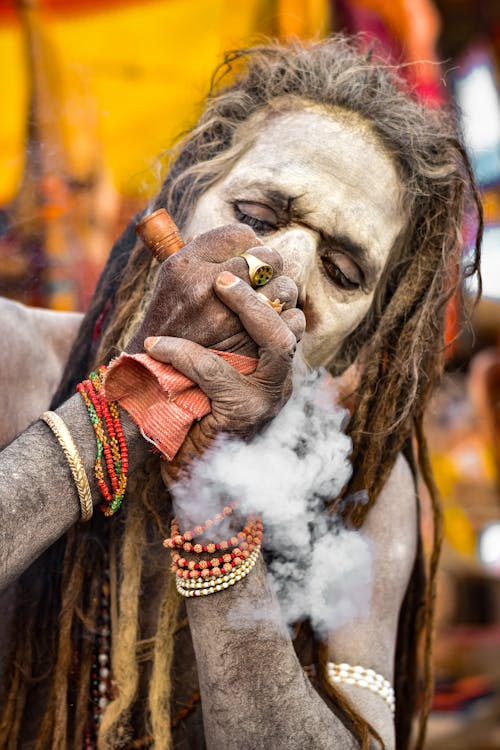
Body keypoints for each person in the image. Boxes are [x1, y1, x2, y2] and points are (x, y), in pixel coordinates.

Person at [0, 35, 482, 750]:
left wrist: (216, 502)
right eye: (258, 216)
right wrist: (128, 407)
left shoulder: (367, 489)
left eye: (343, 271)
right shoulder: (13, 356)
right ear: (185, 200)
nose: (281, 274)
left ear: (351, 345)